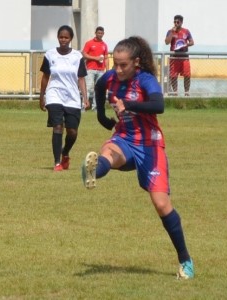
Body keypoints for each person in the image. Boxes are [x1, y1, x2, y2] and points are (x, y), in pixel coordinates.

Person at [81, 36, 194, 279]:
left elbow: (158, 105)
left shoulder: (145, 80)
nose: (117, 69)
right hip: (124, 139)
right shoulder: (110, 77)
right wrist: (101, 116)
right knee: (108, 154)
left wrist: (129, 105)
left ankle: (185, 260)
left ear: (136, 62)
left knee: (162, 205)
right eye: (115, 63)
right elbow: (100, 87)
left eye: (123, 65)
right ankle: (92, 171)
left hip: (150, 146)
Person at [39, 25, 90, 172]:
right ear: (58, 38)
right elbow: (45, 77)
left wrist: (85, 98)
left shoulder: (77, 56)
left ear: (71, 39)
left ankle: (65, 152)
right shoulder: (50, 55)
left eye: (66, 37)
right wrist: (42, 96)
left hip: (72, 97)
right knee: (58, 127)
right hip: (54, 95)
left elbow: (81, 78)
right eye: (61, 37)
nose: (63, 40)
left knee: (72, 131)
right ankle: (57, 163)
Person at [165, 15, 194, 96]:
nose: (176, 23)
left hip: (184, 57)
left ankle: (186, 93)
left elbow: (192, 42)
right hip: (174, 57)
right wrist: (171, 32)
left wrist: (186, 45)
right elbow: (167, 42)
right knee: (173, 76)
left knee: (187, 75)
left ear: (181, 22)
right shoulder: (170, 31)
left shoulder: (186, 31)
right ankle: (175, 93)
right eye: (174, 22)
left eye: (178, 22)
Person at [82, 26, 109, 111]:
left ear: (103, 34)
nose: (100, 34)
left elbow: (106, 58)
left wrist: (107, 70)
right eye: (98, 33)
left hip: (101, 70)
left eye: (101, 33)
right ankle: (83, 106)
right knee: (88, 88)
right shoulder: (89, 43)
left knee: (98, 89)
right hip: (90, 69)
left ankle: (96, 108)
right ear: (95, 33)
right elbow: (84, 54)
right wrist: (95, 58)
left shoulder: (104, 45)